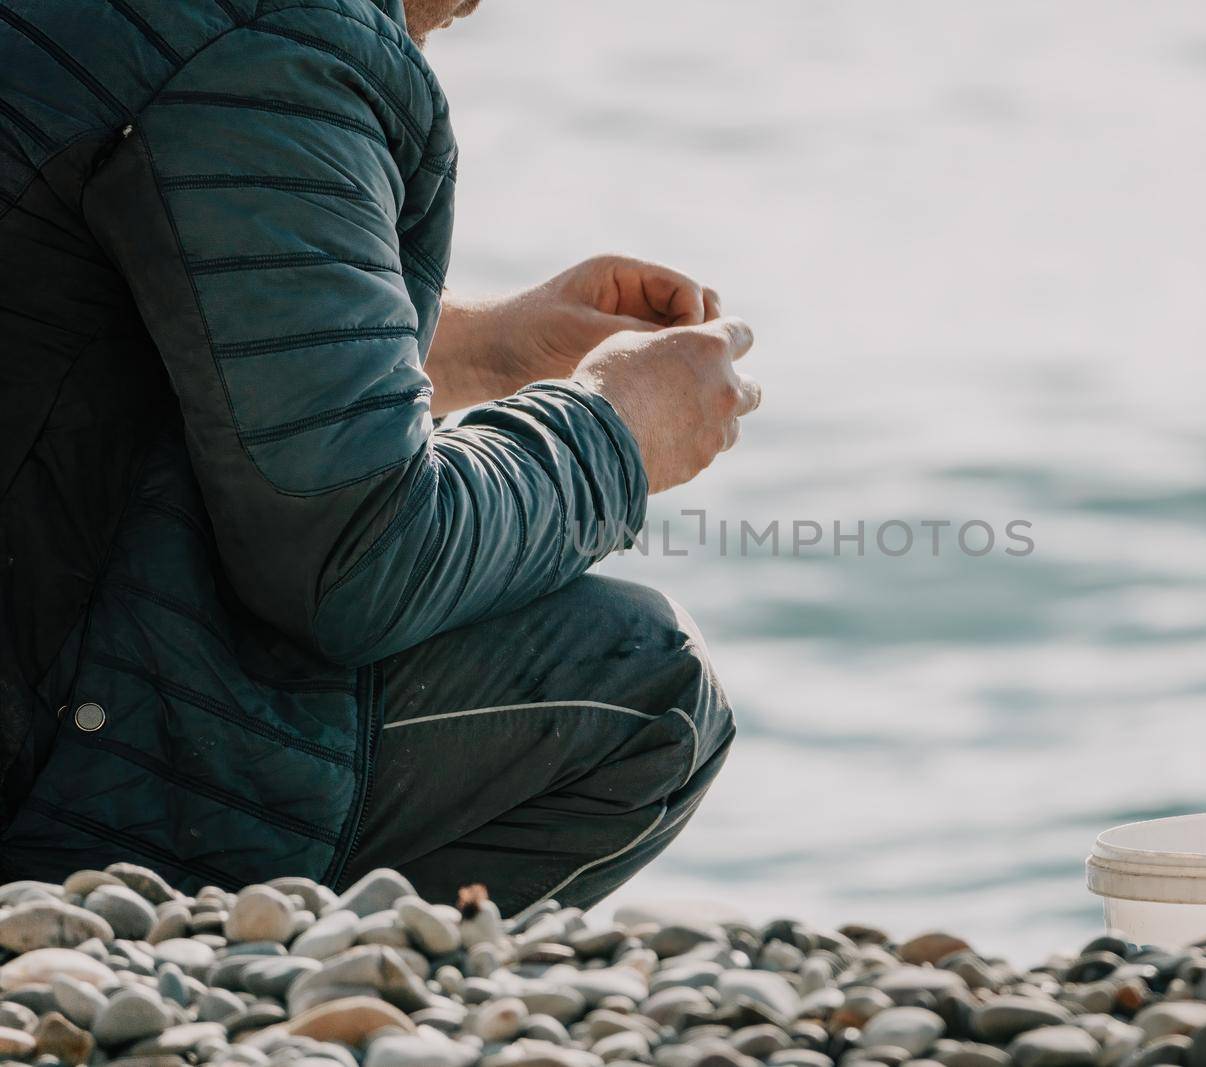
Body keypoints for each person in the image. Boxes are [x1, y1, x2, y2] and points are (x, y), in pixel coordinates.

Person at [0, 0, 756, 912]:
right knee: (651, 686)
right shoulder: (268, 45)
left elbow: (95, 328)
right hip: (42, 767)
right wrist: (618, 427)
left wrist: (497, 345)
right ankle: (277, 999)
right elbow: (359, 562)